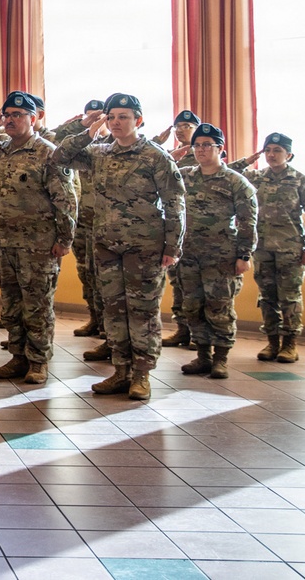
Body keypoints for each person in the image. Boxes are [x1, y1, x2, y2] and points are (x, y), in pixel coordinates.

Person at [53, 93, 185, 401]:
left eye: (123, 117)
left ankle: (141, 375)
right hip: (107, 247)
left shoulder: (155, 156)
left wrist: (172, 246)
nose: (116, 122)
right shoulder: (98, 153)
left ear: (138, 120)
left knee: (142, 312)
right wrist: (88, 129)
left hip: (145, 248)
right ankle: (121, 369)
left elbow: (175, 202)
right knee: (113, 310)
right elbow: (59, 155)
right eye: (111, 117)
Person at [0, 91, 76, 385]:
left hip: (39, 245)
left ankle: (38, 361)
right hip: (6, 241)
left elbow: (66, 201)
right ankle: (17, 356)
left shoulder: (49, 153)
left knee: (37, 306)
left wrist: (65, 239)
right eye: (7, 114)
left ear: (33, 119)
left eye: (18, 115)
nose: (11, 120)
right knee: (11, 305)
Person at [177, 124, 258, 379]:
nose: (200, 150)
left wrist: (244, 255)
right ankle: (203, 356)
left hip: (221, 256)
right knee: (192, 307)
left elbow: (248, 222)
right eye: (197, 145)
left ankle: (221, 358)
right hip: (189, 255)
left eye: (207, 145)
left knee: (219, 307)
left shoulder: (236, 182)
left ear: (220, 149)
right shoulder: (186, 176)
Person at [241, 133, 305, 363]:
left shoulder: (300, 180)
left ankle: (290, 345)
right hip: (262, 248)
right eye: (267, 150)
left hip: (291, 248)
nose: (271, 155)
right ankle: (272, 342)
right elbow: (226, 173)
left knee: (289, 298)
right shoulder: (256, 178)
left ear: (289, 155)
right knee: (267, 297)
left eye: (277, 150)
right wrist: (247, 160)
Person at [53, 100, 111, 361]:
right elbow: (59, 142)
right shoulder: (89, 149)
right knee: (87, 274)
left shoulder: (114, 148)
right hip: (84, 222)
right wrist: (85, 124)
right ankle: (96, 319)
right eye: (94, 116)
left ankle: (111, 333)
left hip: (112, 228)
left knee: (107, 281)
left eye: (104, 117)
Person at [158, 110, 201, 348]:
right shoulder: (170, 158)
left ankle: (199, 334)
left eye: (187, 125)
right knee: (178, 282)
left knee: (198, 286)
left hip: (200, 232)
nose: (181, 130)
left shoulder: (206, 155)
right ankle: (182, 329)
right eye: (178, 127)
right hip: (175, 231)